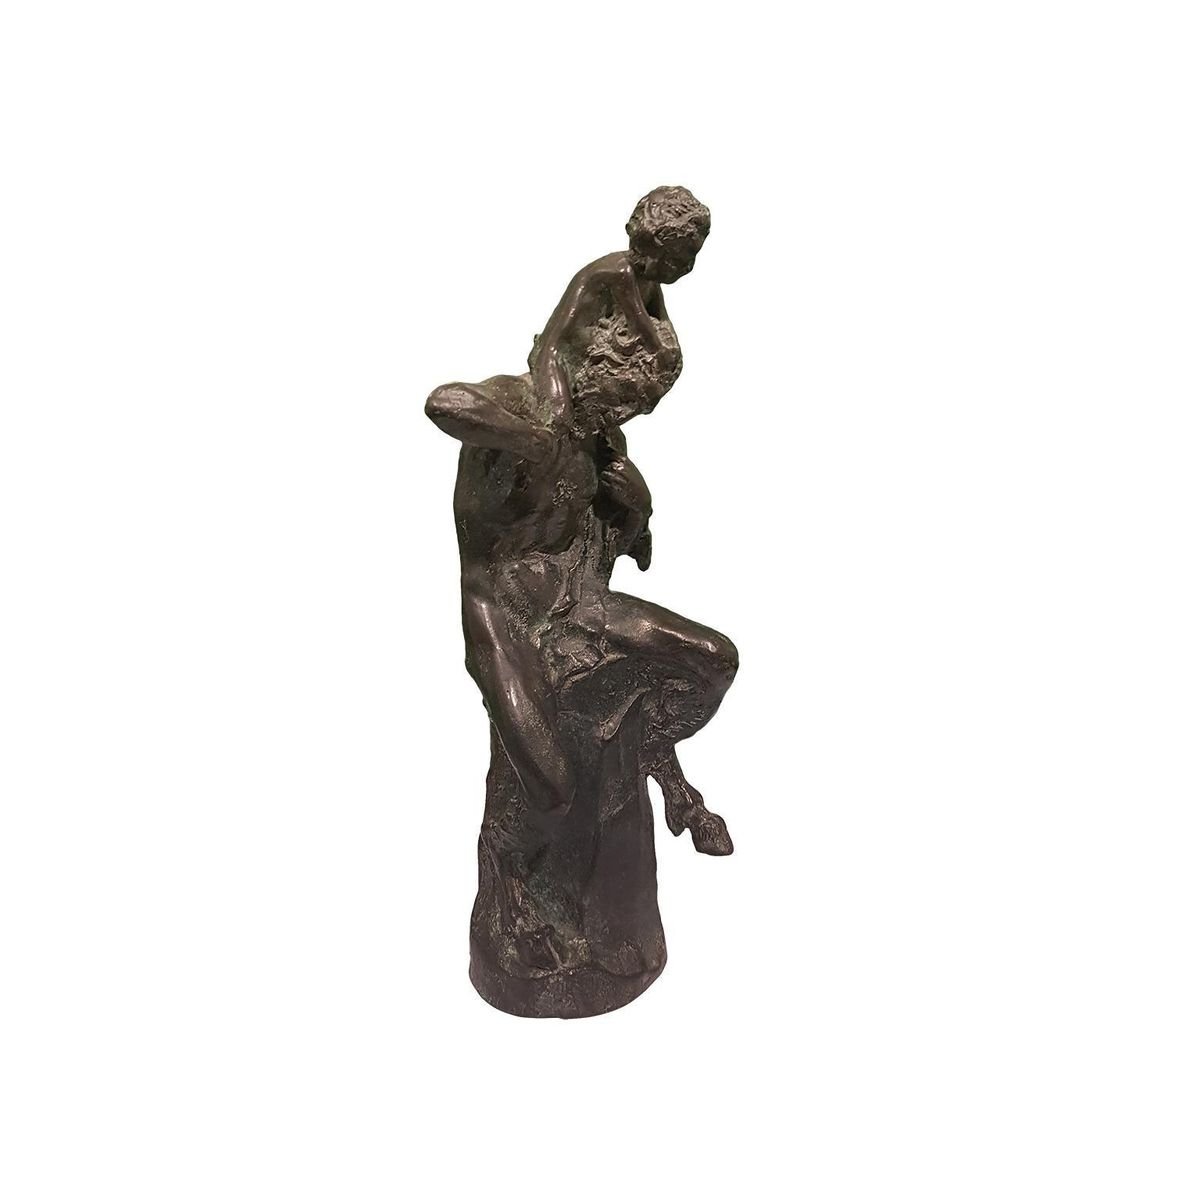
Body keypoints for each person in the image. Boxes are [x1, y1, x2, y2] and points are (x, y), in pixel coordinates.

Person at [426, 187, 736, 857]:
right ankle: (529, 881)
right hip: (503, 615)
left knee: (713, 662)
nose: (620, 418)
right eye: (619, 401)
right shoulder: (521, 404)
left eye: (634, 411)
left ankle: (653, 758)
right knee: (551, 790)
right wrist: (534, 439)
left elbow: (631, 545)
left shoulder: (601, 446)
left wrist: (638, 504)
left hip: (578, 609)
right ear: (591, 364)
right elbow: (444, 403)